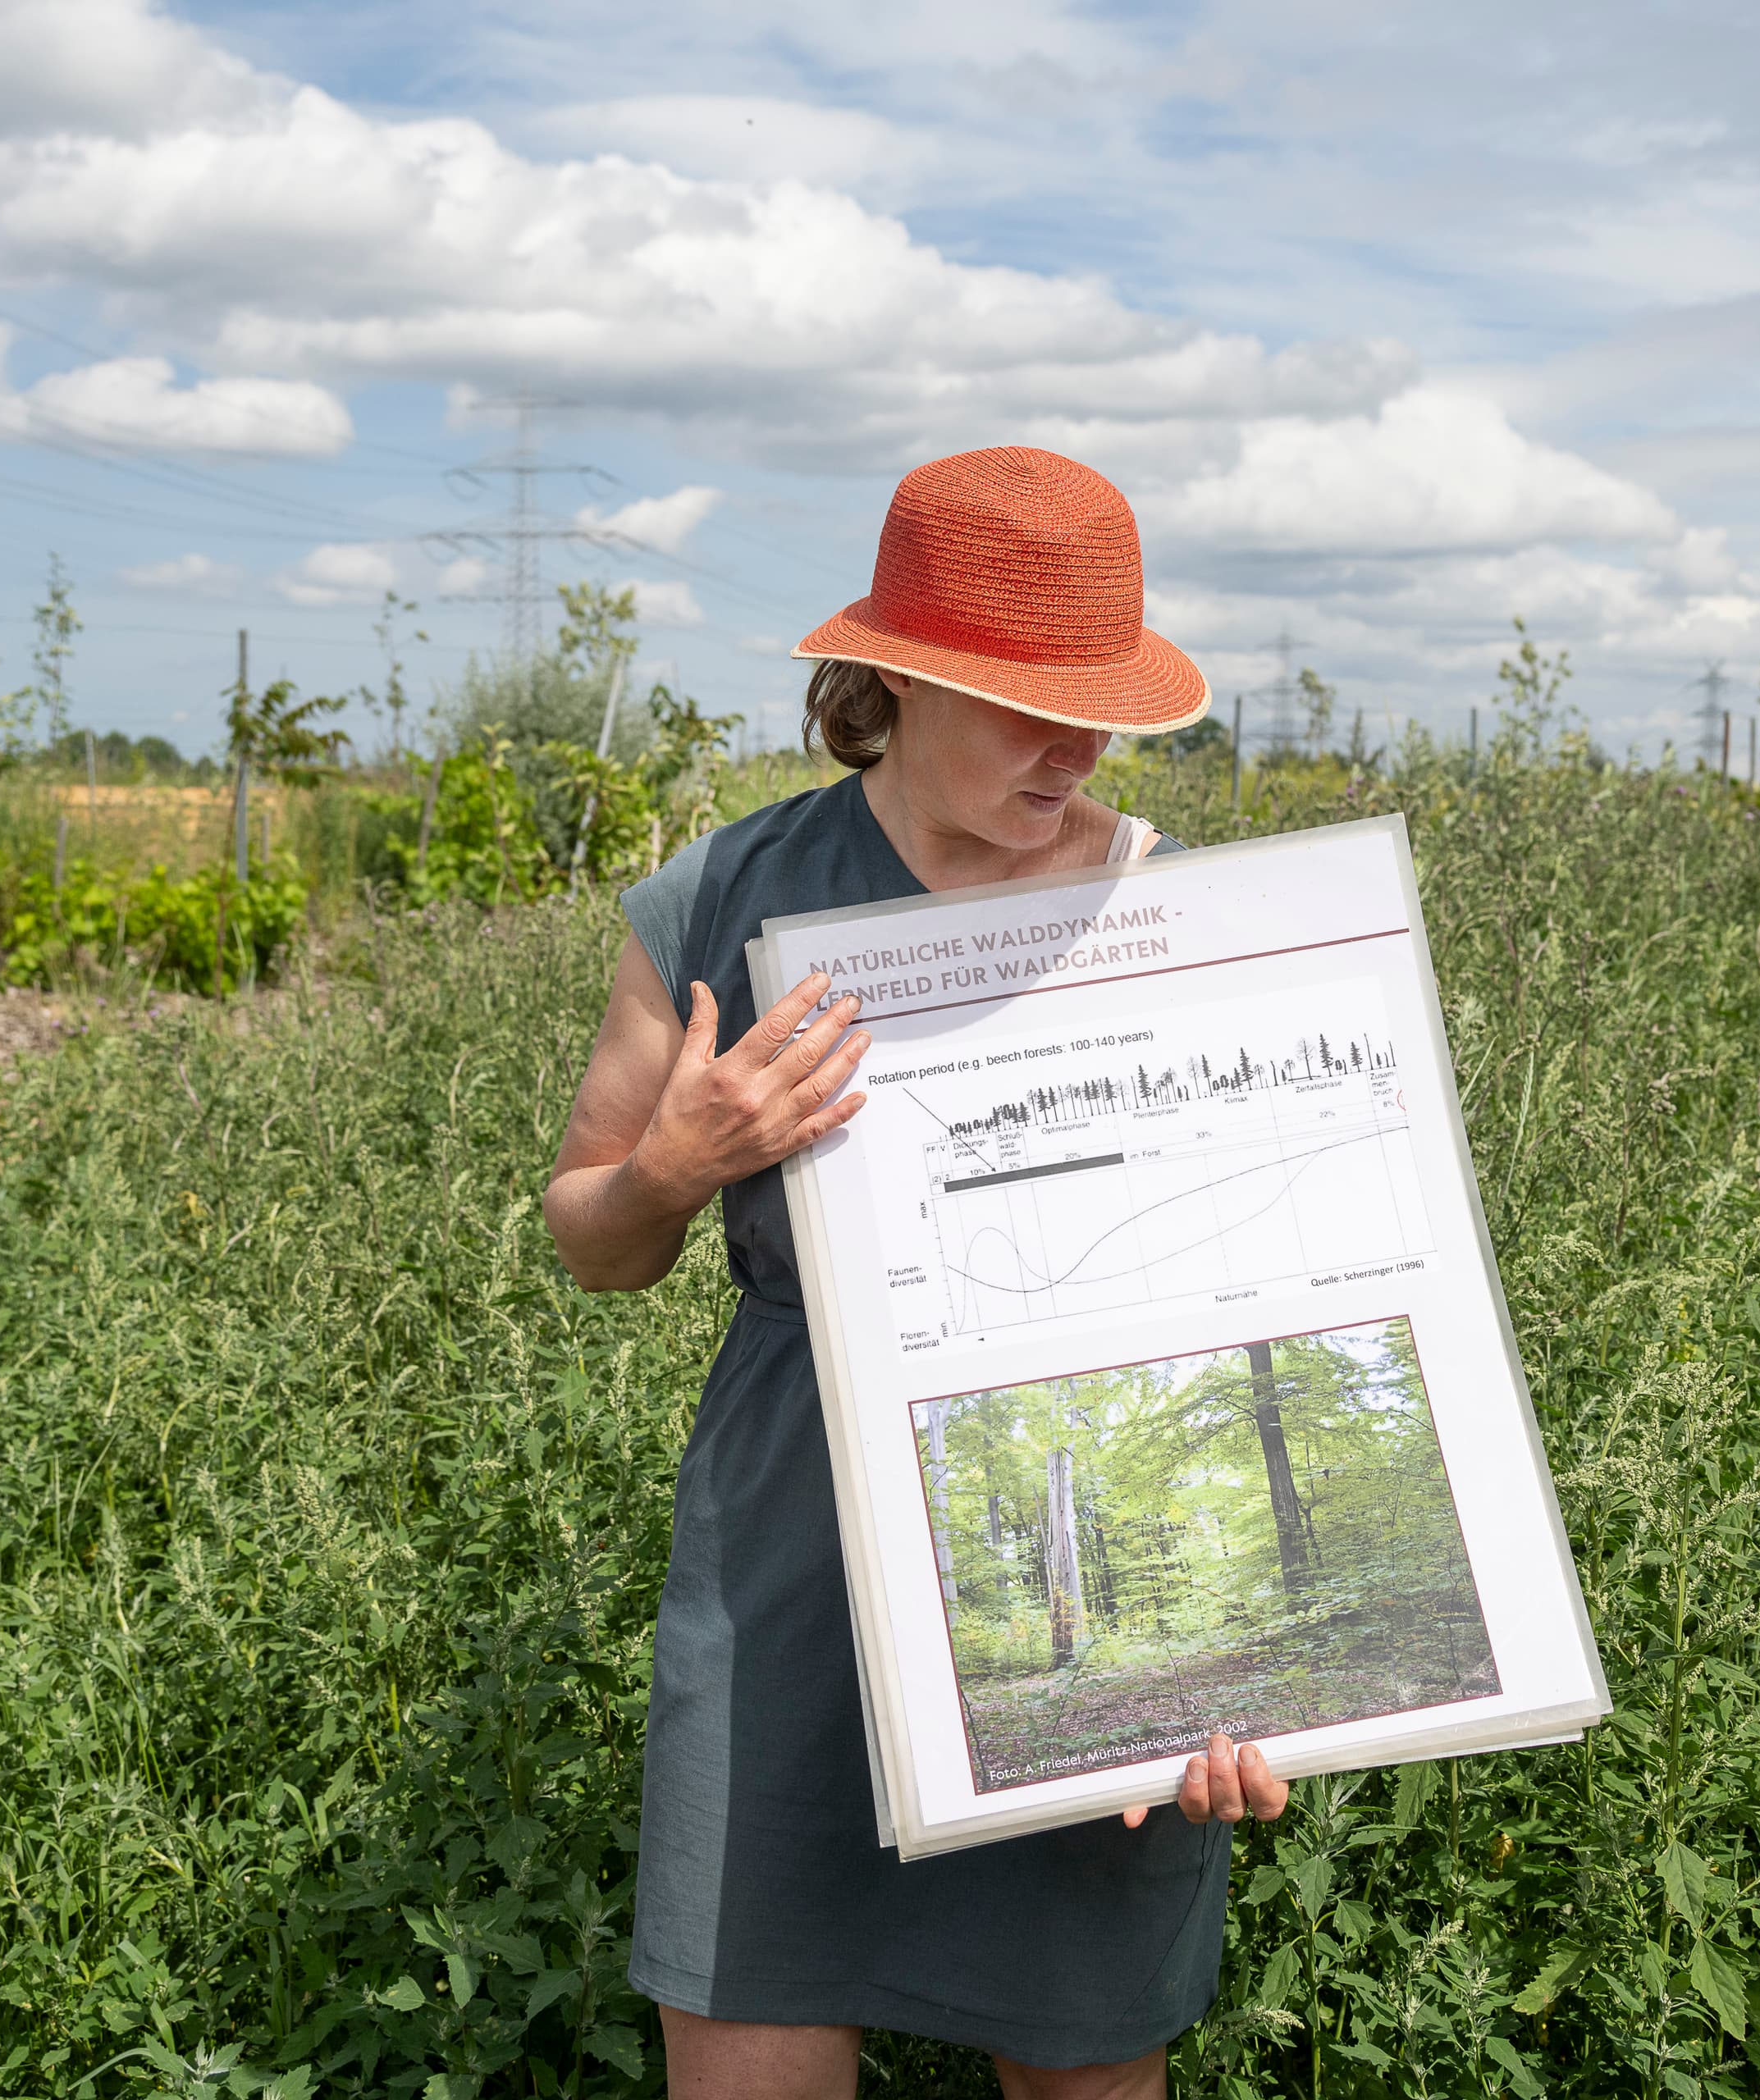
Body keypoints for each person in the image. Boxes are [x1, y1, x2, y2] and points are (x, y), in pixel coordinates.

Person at [542, 447, 1291, 2100]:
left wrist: (1236, 1657)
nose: (1074, 747)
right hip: (789, 1558)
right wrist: (681, 1160)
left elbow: (1247, 1314)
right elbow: (592, 1237)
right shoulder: (726, 898)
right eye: (1024, 702)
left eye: (1097, 706)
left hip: (1092, 1541)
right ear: (894, 675)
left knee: (1085, 2053)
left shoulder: (1173, 917)